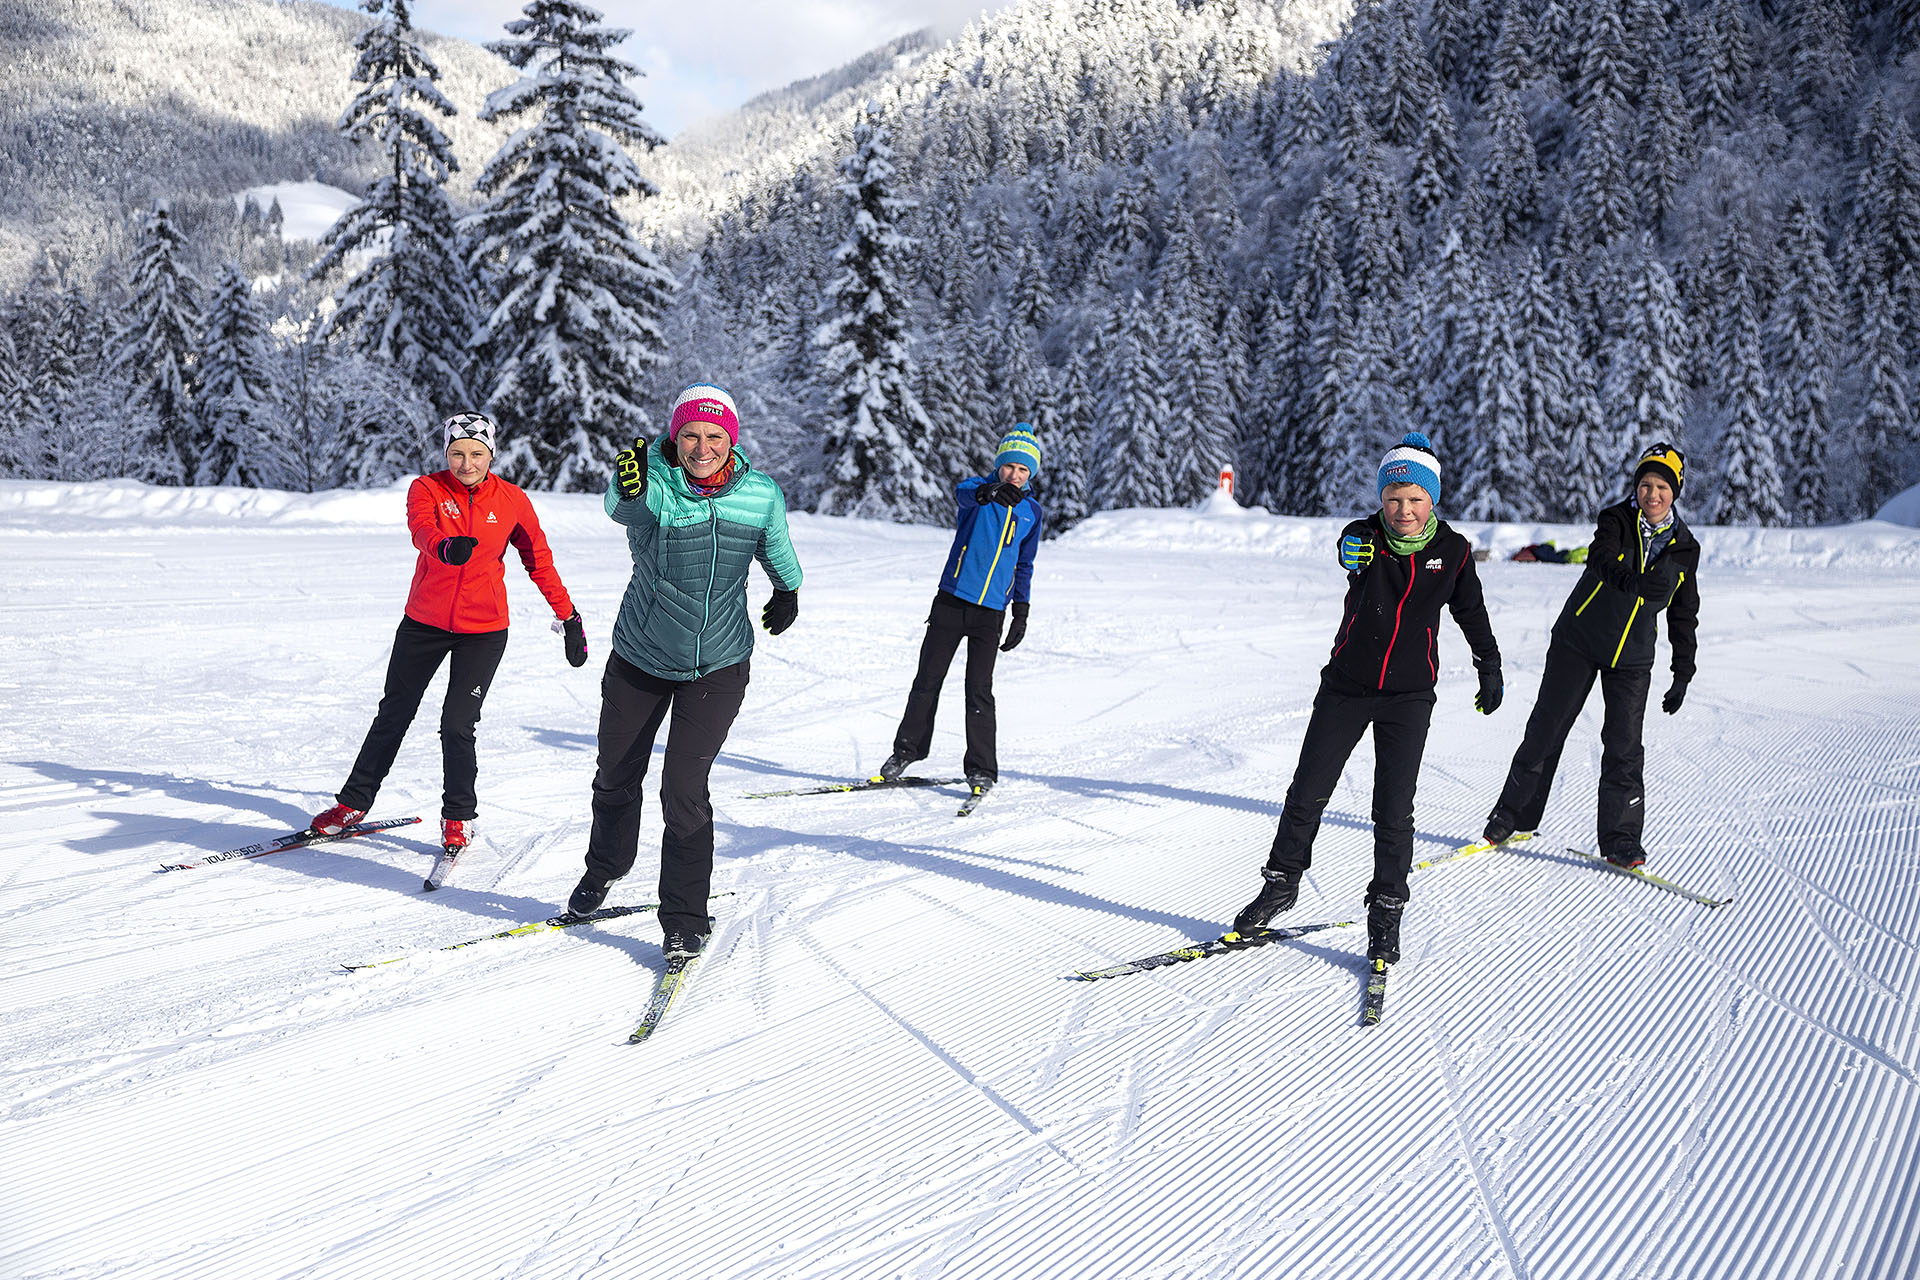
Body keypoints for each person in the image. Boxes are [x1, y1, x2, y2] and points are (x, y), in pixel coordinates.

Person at [1233, 431, 1502, 968]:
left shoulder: (1452, 551)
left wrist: (1488, 666)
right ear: (1381, 500)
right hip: (1346, 687)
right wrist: (1349, 548)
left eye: (1415, 499)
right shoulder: (1366, 538)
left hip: (1408, 696)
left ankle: (1385, 912)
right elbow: (1349, 546)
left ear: (1433, 501)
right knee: (1307, 790)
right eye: (1393, 498)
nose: (1404, 509)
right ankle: (1282, 884)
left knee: (1394, 809)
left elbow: (1470, 611)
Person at [565, 384, 803, 959]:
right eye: (690, 435)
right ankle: (606, 867)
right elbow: (625, 508)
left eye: (714, 436)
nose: (702, 447)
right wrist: (628, 488)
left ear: (732, 440)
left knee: (683, 790)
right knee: (615, 775)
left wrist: (788, 588)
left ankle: (685, 918)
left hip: (717, 664)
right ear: (675, 436)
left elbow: (774, 542)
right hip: (641, 657)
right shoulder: (654, 485)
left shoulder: (760, 494)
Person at [311, 413, 587, 887]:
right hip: (424, 622)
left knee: (457, 723)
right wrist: (443, 548)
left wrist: (569, 616)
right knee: (393, 712)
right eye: (457, 453)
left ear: (491, 455)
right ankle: (353, 803)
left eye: (476, 454)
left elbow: (538, 560)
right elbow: (421, 530)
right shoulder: (426, 488)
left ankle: (458, 817)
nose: (466, 462)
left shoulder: (512, 500)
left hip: (484, 629)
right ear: (446, 453)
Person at [1480, 442, 1700, 868]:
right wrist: (1631, 580)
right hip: (1578, 641)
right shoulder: (1615, 520)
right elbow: (1600, 557)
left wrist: (1683, 672)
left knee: (1623, 747)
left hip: (1632, 658)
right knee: (1546, 729)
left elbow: (1684, 613)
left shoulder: (1684, 549)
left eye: (1661, 487)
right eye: (1645, 484)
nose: (1651, 495)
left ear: (1675, 492)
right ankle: (1512, 816)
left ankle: (1621, 841)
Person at [874, 425, 1044, 803]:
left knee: (978, 689)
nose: (1014, 475)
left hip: (991, 613)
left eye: (1022, 470)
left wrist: (1021, 610)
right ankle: (906, 752)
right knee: (928, 679)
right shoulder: (979, 494)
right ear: (998, 466)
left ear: (1030, 475)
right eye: (1009, 467)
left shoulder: (1031, 512)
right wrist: (989, 491)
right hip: (951, 601)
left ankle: (982, 768)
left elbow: (1025, 564)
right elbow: (964, 493)